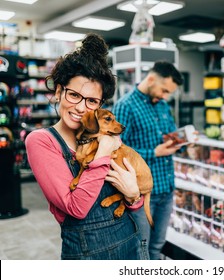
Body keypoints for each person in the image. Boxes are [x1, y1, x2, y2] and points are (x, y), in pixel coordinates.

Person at [25, 33, 148, 260]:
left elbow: (131, 196)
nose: (81, 108)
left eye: (91, 101)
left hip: (131, 243)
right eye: (74, 95)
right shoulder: (42, 141)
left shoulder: (103, 134)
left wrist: (133, 197)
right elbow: (77, 209)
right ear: (59, 92)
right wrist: (103, 151)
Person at [112, 61, 183, 260]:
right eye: (164, 90)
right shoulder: (125, 106)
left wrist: (182, 141)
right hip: (142, 194)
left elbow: (170, 135)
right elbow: (117, 151)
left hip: (166, 188)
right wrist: (154, 152)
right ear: (151, 79)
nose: (165, 96)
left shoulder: (162, 105)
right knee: (140, 249)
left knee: (157, 246)